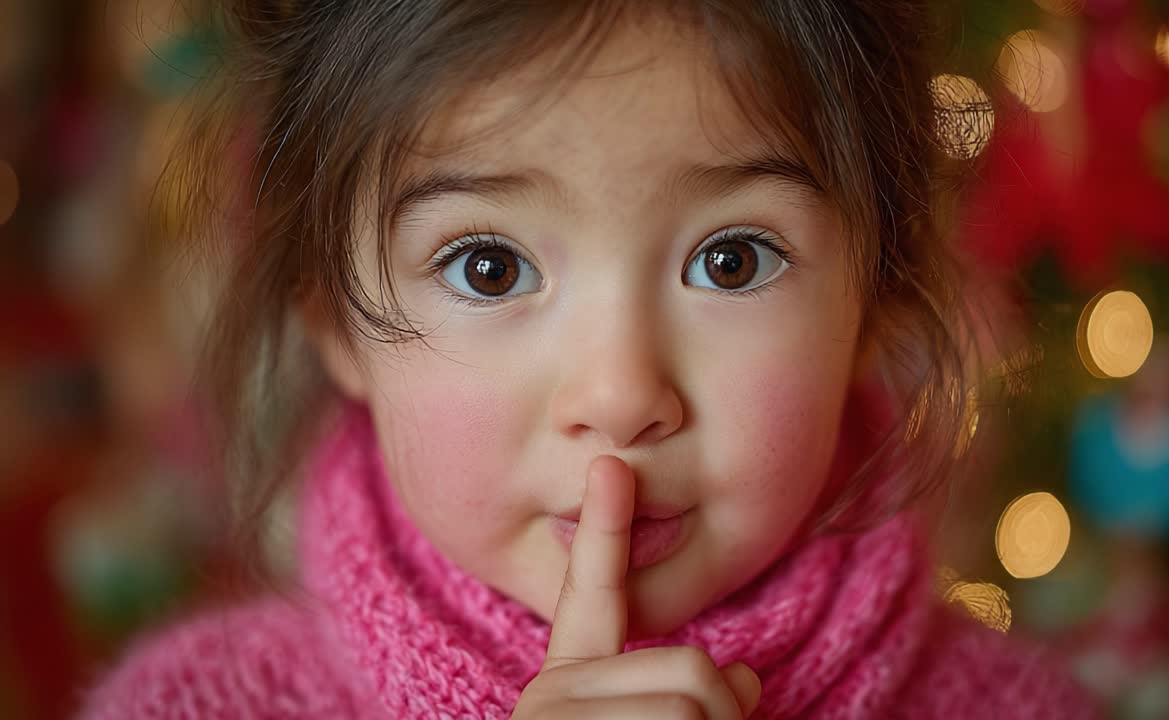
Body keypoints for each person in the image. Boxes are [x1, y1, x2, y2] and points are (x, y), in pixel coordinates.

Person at [80, 1, 1097, 717]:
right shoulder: (195, 706)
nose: (619, 396)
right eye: (487, 267)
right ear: (334, 325)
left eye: (730, 259)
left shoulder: (1019, 710)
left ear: (875, 302)